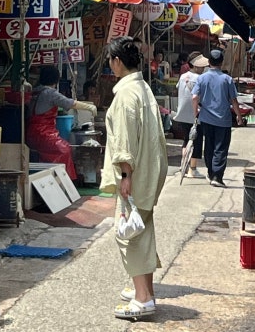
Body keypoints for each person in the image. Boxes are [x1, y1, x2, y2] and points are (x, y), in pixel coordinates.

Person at [100, 36, 168, 320]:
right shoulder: (141, 87)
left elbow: (125, 140)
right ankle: (145, 290)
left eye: (110, 60)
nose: (109, 64)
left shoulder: (127, 94)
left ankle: (143, 298)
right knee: (141, 228)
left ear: (117, 61)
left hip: (135, 171)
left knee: (130, 234)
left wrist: (126, 175)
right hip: (148, 168)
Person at [25, 65, 97, 181]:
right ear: (56, 80)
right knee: (64, 149)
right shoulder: (50, 93)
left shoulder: (35, 91)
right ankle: (66, 181)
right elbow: (69, 103)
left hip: (30, 134)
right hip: (43, 135)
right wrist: (89, 107)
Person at [191, 48, 243, 188]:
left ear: (209, 62)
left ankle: (211, 173)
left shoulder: (202, 78)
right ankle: (217, 177)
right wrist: (239, 116)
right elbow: (234, 100)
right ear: (221, 62)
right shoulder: (227, 79)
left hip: (206, 119)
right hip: (223, 120)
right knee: (220, 148)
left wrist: (195, 112)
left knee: (209, 146)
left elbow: (195, 97)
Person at [173, 51, 209, 178]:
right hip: (195, 115)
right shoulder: (199, 79)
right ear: (195, 65)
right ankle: (192, 170)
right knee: (196, 142)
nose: (203, 68)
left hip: (182, 114)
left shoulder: (183, 76)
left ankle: (184, 165)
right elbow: (200, 97)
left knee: (186, 140)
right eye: (201, 66)